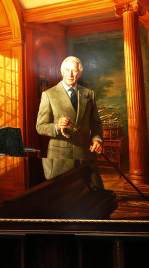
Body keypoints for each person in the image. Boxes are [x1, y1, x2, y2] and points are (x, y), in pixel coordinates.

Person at [36, 56, 104, 189]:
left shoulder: (89, 94)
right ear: (62, 71)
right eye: (67, 70)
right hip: (60, 158)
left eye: (74, 70)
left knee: (95, 194)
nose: (70, 74)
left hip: (85, 154)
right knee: (62, 198)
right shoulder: (49, 95)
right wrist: (56, 126)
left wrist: (97, 140)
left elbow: (96, 123)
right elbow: (40, 127)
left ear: (80, 73)